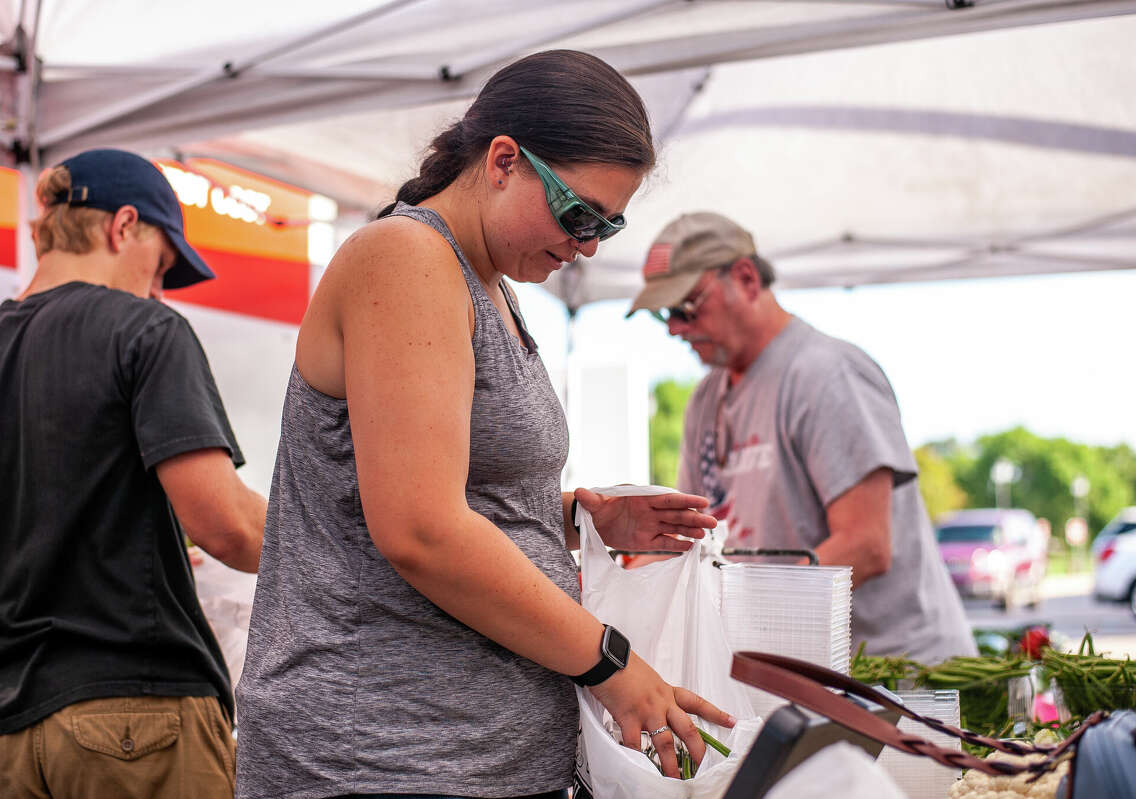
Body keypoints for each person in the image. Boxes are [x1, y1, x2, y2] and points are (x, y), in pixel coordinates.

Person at [235, 50, 738, 799]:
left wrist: (574, 517)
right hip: (383, 759)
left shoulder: (488, 283)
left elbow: (441, 490)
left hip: (466, 758)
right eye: (577, 213)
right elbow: (421, 527)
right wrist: (611, 663)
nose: (588, 245)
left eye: (607, 223)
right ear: (504, 160)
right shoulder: (406, 258)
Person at [0, 148, 267, 798]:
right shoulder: (146, 331)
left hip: (13, 735)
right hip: (141, 722)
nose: (157, 289)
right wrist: (342, 536)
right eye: (162, 266)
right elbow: (227, 525)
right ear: (122, 227)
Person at [628, 211, 976, 665]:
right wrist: (624, 580)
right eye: (664, 315)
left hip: (895, 677)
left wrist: (742, 614)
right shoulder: (705, 400)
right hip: (800, 670)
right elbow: (691, 542)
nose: (675, 328)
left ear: (747, 279)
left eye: (686, 307)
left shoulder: (826, 374)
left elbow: (867, 546)